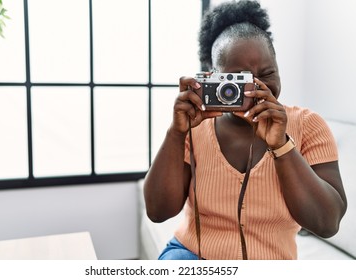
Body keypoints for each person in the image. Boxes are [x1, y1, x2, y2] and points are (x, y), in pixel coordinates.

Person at [143, 0, 347, 260]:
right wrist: (176, 132)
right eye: (239, 79)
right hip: (192, 256)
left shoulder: (309, 125)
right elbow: (158, 211)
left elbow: (327, 222)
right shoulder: (195, 126)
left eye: (268, 72)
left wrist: (281, 144)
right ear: (213, 78)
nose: (256, 87)